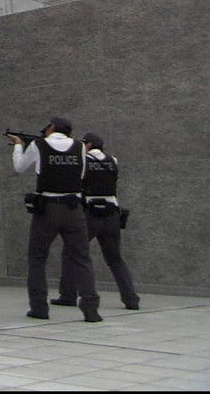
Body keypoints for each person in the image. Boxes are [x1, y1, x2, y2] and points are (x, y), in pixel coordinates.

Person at [9, 117, 103, 323]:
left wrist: (18, 146)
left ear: (51, 127)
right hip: (73, 208)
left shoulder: (39, 145)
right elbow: (81, 173)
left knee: (37, 258)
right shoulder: (80, 147)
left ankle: (39, 307)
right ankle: (91, 309)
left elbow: (19, 167)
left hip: (47, 208)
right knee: (82, 258)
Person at [53, 132, 140, 310]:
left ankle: (68, 295)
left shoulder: (83, 160)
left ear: (89, 145)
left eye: (83, 144)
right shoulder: (113, 160)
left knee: (72, 252)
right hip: (112, 215)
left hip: (90, 214)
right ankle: (131, 299)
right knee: (115, 259)